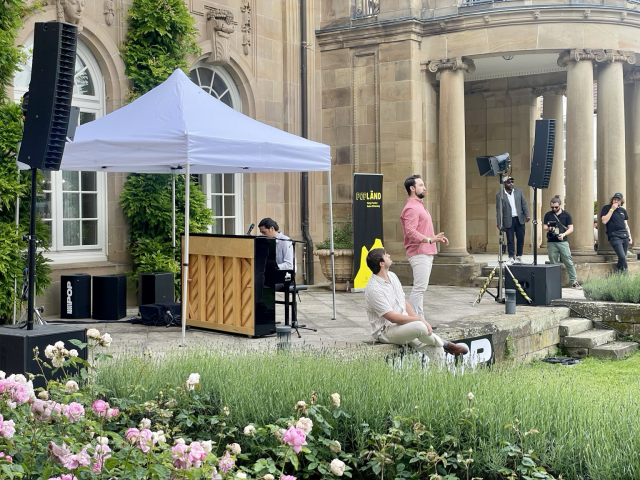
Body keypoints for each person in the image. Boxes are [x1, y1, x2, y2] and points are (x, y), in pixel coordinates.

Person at [364, 248, 468, 362]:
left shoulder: (392, 276)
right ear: (381, 263)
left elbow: (403, 301)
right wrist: (418, 320)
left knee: (437, 349)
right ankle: (446, 344)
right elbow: (392, 318)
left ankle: (439, 377)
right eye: (385, 255)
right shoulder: (374, 289)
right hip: (386, 331)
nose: (389, 255)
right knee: (420, 327)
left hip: (402, 325)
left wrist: (415, 320)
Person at [400, 175, 448, 320]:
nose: (424, 187)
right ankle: (416, 321)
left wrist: (434, 238)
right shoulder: (411, 208)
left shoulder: (418, 205)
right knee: (419, 288)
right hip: (419, 252)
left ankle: (420, 320)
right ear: (412, 188)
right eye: (421, 185)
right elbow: (410, 231)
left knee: (420, 288)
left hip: (425, 252)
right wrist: (429, 239)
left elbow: (420, 228)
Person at [543, 196, 581, 289]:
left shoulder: (566, 215)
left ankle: (574, 281)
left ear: (560, 205)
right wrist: (550, 228)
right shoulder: (548, 214)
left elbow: (571, 228)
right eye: (552, 207)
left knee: (568, 260)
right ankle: (555, 282)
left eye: (556, 207)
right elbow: (544, 227)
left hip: (562, 241)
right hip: (551, 241)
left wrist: (563, 234)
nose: (554, 209)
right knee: (553, 262)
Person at [496, 176, 530, 265]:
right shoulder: (500, 195)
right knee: (510, 239)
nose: (511, 183)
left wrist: (527, 214)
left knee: (520, 238)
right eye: (509, 182)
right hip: (508, 219)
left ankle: (519, 256)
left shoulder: (519, 191)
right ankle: (511, 257)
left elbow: (524, 204)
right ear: (504, 183)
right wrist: (499, 222)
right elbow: (498, 210)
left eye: (512, 181)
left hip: (519, 219)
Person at [600, 193, 633, 272]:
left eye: (618, 200)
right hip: (614, 236)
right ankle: (625, 273)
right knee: (621, 256)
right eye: (614, 199)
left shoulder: (622, 210)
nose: (616, 201)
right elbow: (604, 221)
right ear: (612, 200)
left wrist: (630, 236)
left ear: (621, 202)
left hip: (624, 235)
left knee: (623, 257)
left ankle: (618, 273)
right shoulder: (606, 208)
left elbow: (626, 224)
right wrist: (612, 209)